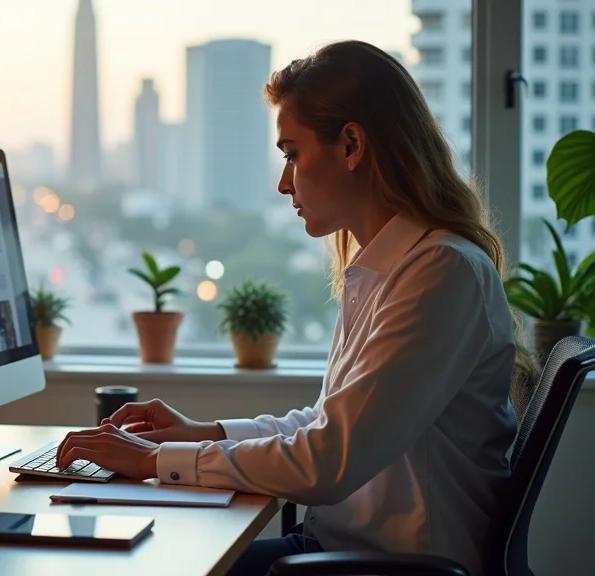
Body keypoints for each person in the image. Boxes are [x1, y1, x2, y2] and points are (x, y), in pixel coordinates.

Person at [56, 39, 539, 576]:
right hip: (340, 553)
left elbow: (328, 460)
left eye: (292, 154)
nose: (284, 182)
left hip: (387, 568)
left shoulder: (439, 273)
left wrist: (152, 460)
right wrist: (202, 432)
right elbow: (325, 423)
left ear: (352, 144)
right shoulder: (388, 268)